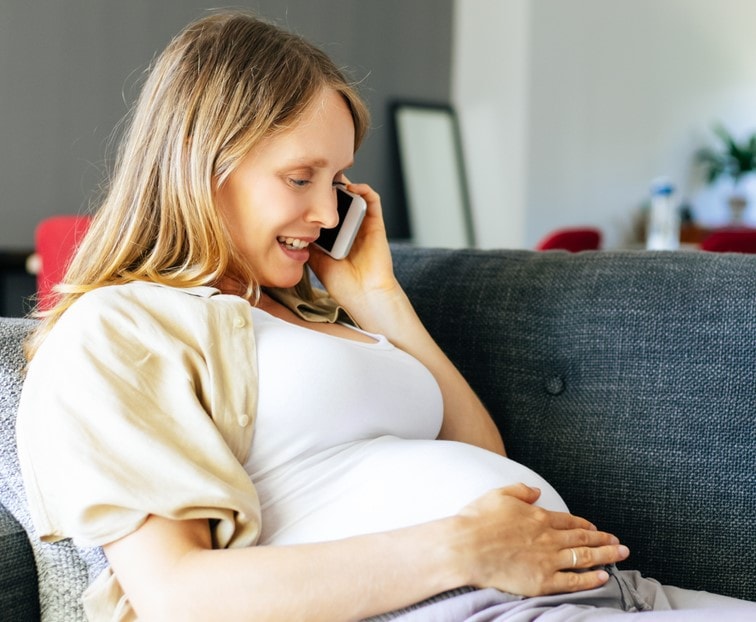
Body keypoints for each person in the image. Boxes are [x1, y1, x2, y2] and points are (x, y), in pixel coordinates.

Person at [15, 10, 755, 622]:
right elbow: (176, 595)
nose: (328, 210)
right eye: (299, 177)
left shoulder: (312, 309)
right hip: (467, 604)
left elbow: (495, 468)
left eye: (336, 180)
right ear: (198, 161)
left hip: (599, 590)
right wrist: (461, 550)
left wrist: (379, 302)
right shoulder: (120, 329)